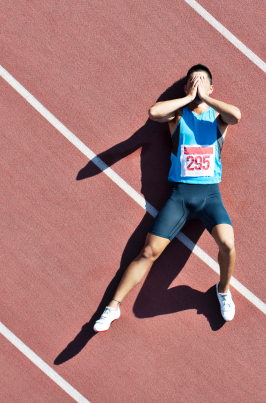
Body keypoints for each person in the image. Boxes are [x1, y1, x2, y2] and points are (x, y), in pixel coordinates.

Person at [94, 64, 241, 331]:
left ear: (211, 88)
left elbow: (236, 115)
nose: (197, 88)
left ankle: (222, 290)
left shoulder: (218, 118)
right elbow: (153, 112)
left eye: (203, 83)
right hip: (180, 197)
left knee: (228, 245)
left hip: (210, 195)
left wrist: (205, 98)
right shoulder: (177, 117)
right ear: (186, 88)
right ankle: (111, 308)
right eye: (192, 84)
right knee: (148, 251)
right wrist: (188, 98)